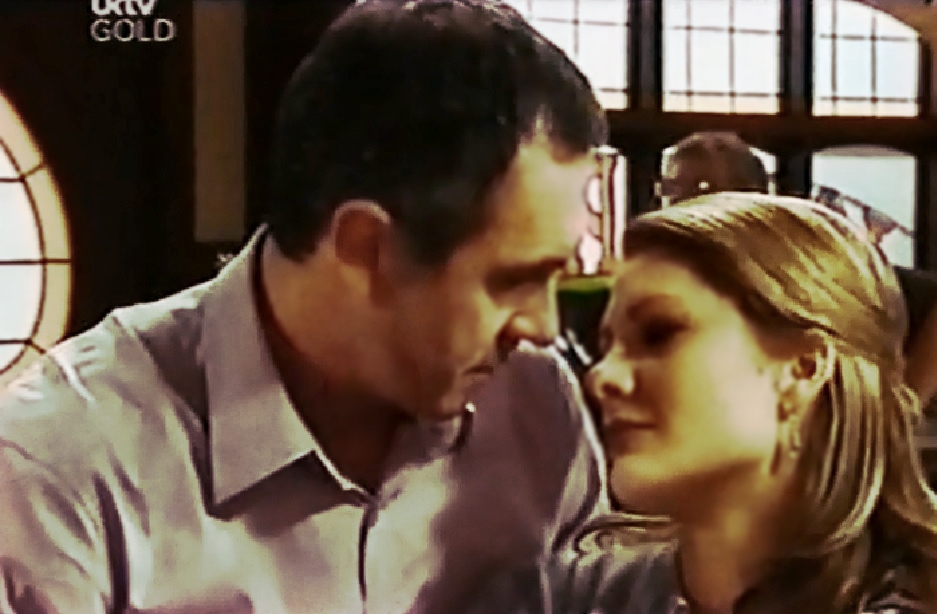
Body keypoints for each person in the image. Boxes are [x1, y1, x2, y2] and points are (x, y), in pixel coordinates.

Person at [0, 1, 612, 612]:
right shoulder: (61, 467)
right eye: (513, 281)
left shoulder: (534, 409)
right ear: (365, 247)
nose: (544, 327)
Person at [463, 193, 937, 614]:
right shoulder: (578, 595)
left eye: (659, 333)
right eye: (606, 345)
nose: (601, 377)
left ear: (802, 370)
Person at [654, 131, 937, 404]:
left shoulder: (801, 264)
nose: (683, 204)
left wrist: (901, 409)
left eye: (702, 189)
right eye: (671, 189)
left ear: (751, 195)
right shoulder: (658, 271)